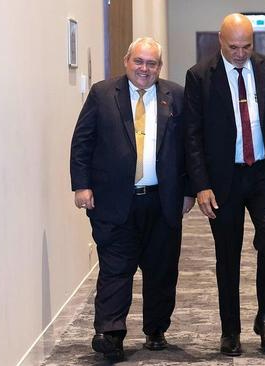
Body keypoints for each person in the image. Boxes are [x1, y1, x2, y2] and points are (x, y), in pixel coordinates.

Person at [70, 37, 195, 362]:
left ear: (160, 67)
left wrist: (189, 190)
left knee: (161, 270)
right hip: (114, 200)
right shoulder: (102, 93)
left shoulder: (176, 96)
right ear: (126, 61)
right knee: (115, 268)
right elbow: (82, 141)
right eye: (139, 61)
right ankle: (110, 333)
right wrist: (81, 185)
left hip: (162, 201)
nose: (144, 69)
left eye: (151, 63)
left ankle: (156, 329)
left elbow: (190, 148)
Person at [184, 13, 265, 357]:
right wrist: (200, 184)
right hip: (222, 180)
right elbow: (193, 136)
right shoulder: (199, 76)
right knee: (227, 255)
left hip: (262, 173)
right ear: (220, 40)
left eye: (247, 46)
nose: (241, 53)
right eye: (234, 47)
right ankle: (230, 330)